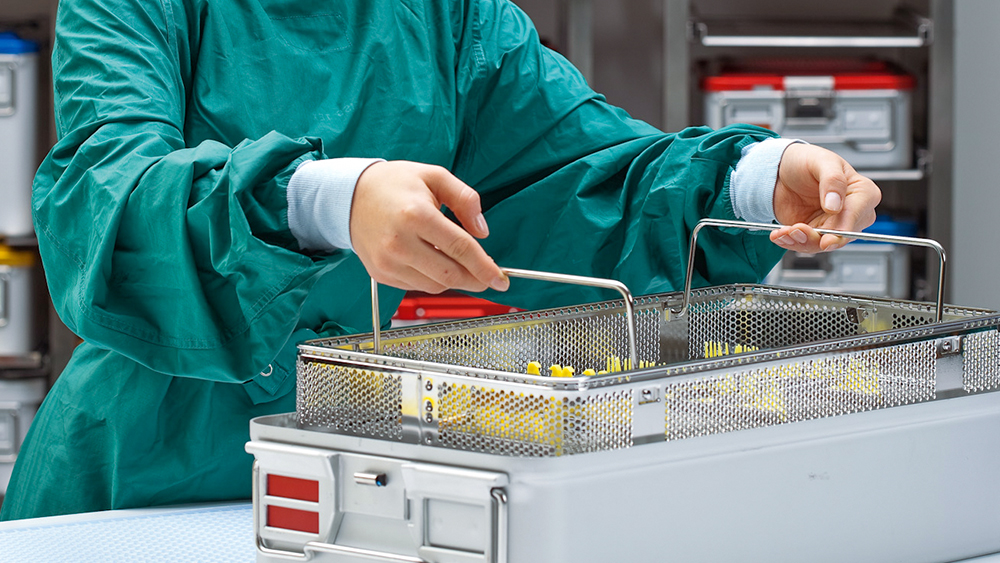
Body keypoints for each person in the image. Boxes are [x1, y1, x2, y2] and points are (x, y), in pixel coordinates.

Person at [0, 0, 879, 520]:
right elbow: (105, 196)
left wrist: (755, 181)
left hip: (380, 474)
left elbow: (578, 174)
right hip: (150, 471)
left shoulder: (448, 16)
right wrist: (320, 198)